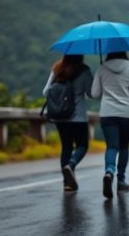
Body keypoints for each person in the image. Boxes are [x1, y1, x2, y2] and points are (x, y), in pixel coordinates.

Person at [91, 51, 129, 199]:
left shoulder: (101, 68)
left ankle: (109, 171)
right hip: (127, 114)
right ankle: (121, 181)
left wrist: (105, 85)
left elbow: (94, 93)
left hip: (107, 113)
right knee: (123, 147)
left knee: (111, 146)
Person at [43, 54, 93, 193]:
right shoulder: (84, 70)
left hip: (60, 117)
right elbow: (90, 93)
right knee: (82, 145)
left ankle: (67, 184)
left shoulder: (57, 69)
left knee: (66, 147)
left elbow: (45, 91)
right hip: (78, 117)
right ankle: (71, 165)